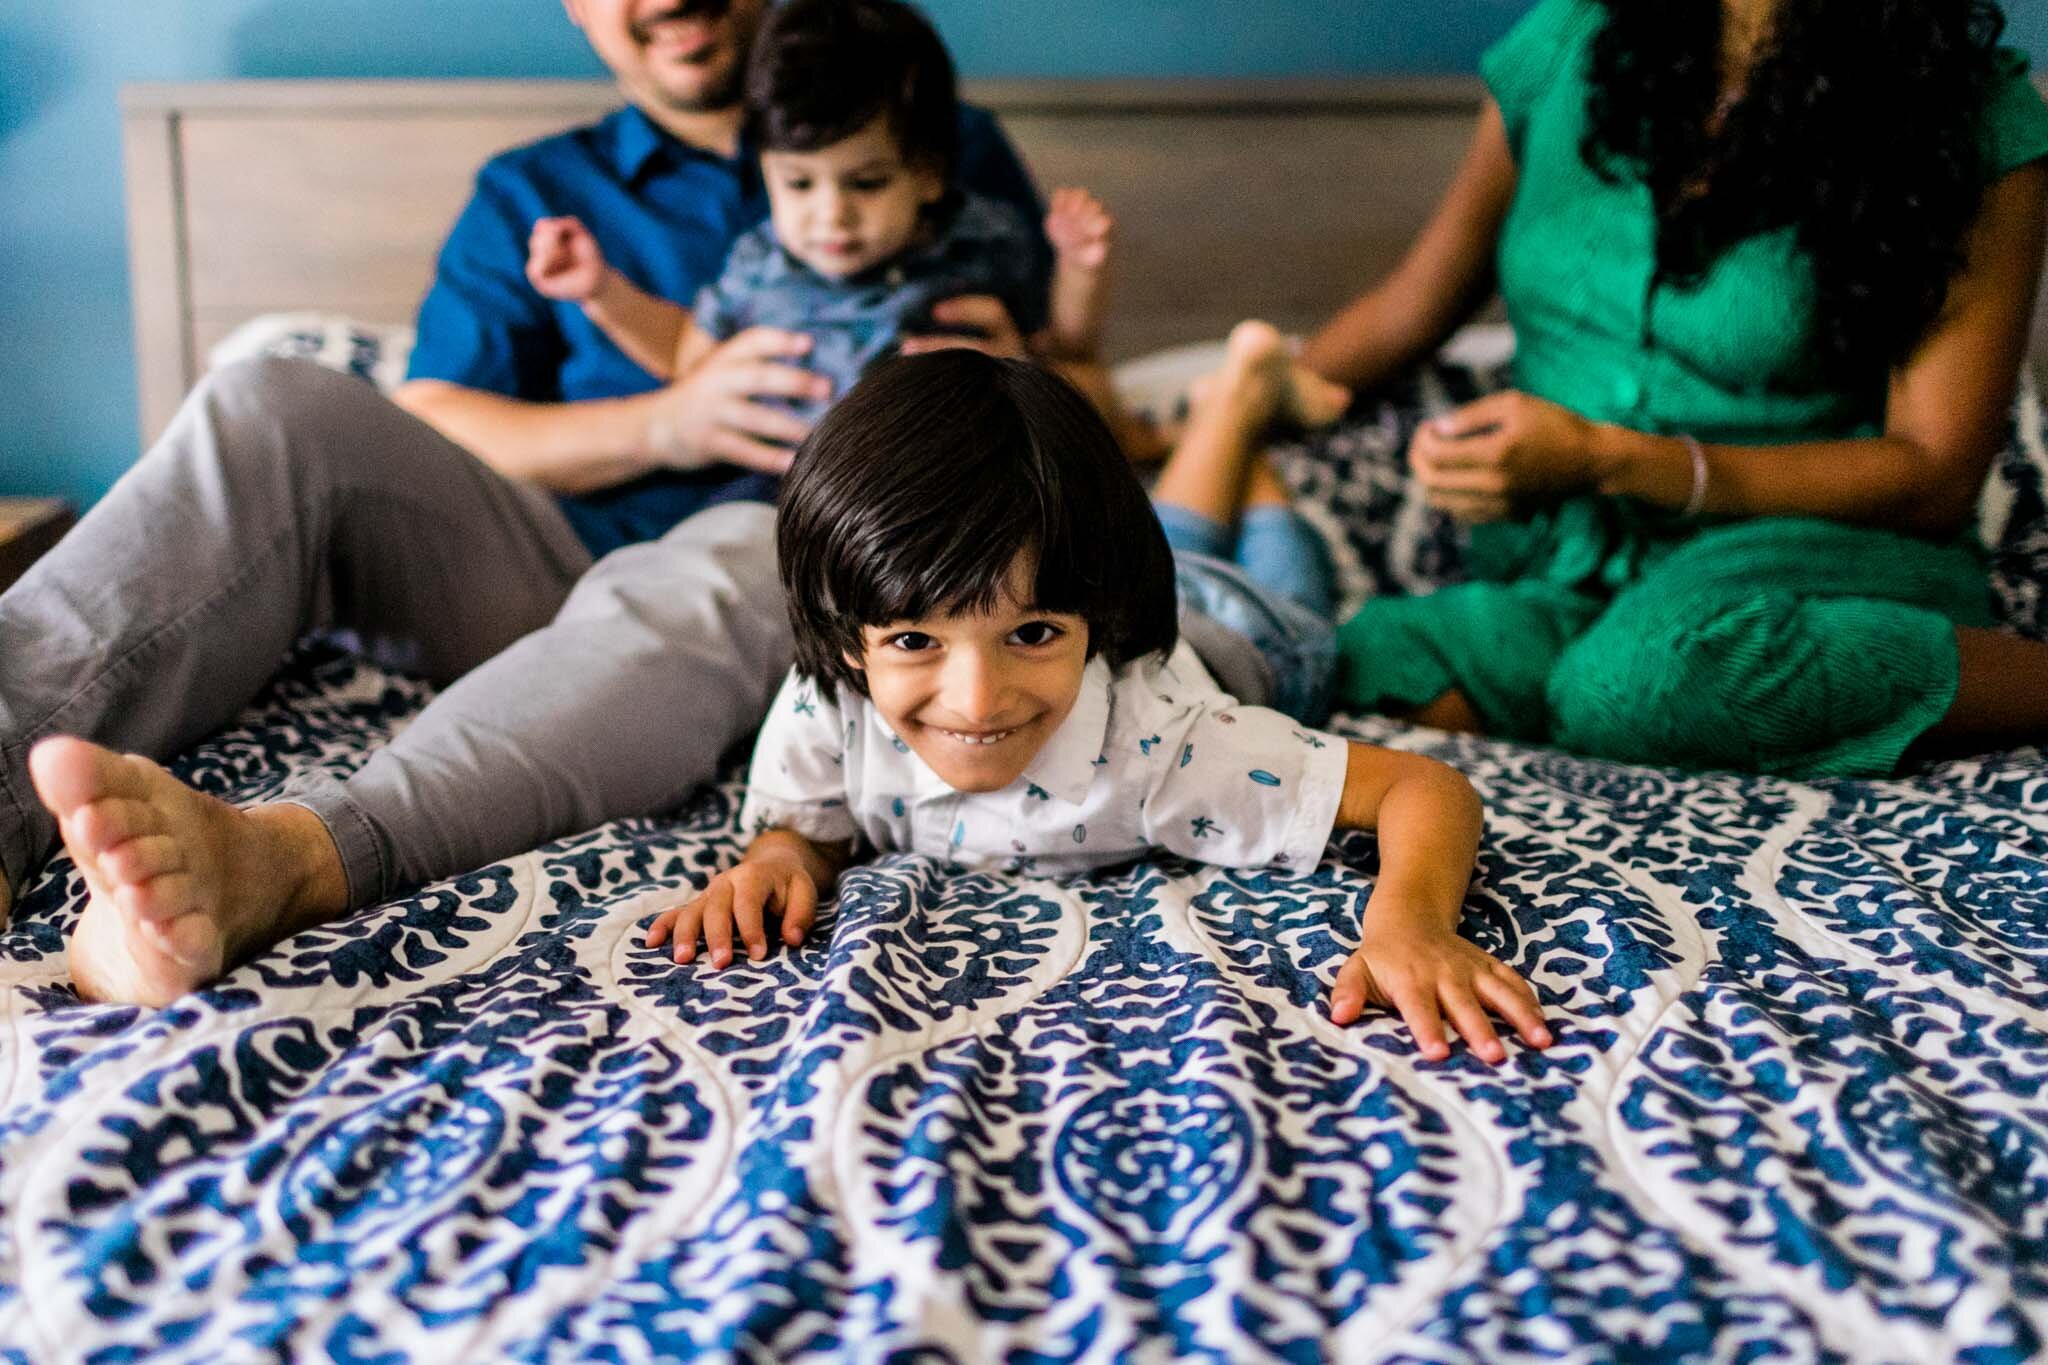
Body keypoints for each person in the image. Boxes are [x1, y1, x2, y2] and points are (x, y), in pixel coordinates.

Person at [3, 0, 1052, 1004]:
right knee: (265, 397)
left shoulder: (925, 131)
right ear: (578, 7)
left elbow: (1092, 391)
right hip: (533, 548)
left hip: (779, 558)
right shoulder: (536, 190)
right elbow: (435, 415)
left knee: (735, 545)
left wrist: (1015, 382)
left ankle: (287, 860)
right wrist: (668, 421)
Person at [645, 351, 1555, 1064]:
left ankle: (1257, 449)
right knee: (1169, 547)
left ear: (1096, 618)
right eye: (917, 641)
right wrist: (777, 856)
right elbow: (803, 828)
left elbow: (1425, 789)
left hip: (1246, 640)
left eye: (1030, 636)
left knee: (1290, 599)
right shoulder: (830, 694)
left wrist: (1413, 920)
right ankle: (1229, 404)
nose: (976, 700)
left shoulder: (1169, 752)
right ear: (849, 639)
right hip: (1121, 587)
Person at [1298, 0, 2048, 776]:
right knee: (1371, 656)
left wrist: (1608, 458)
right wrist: (1207, 412)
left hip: (1819, 552)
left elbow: (1934, 472)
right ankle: (1600, 704)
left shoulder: (1972, 117)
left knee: (1643, 679)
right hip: (1577, 568)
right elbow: (1405, 311)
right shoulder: (1570, 44)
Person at [527, 0, 1103, 425]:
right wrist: (601, 292)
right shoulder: (760, 264)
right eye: (799, 184)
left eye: (868, 183)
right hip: (798, 500)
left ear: (928, 174)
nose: (832, 217)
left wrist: (1080, 270)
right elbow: (686, 355)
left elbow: (1061, 347)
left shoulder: (980, 238)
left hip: (962, 494)